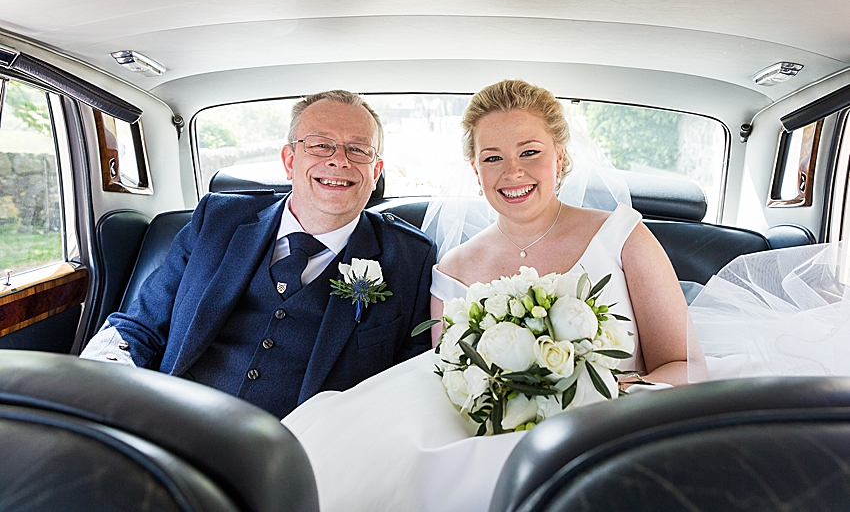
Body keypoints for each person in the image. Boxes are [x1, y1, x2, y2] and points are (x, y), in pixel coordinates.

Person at [283, 80, 704, 512]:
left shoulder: (622, 235)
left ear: (559, 157)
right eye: (492, 158)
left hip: (621, 431)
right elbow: (453, 388)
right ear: (475, 170)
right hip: (496, 447)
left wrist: (597, 396)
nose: (512, 172)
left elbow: (684, 366)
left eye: (529, 152)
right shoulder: (451, 271)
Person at [81, 90, 437, 419]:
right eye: (320, 145)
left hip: (305, 456)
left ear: (375, 172)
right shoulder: (216, 221)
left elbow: (409, 382)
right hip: (172, 428)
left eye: (358, 150)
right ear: (289, 160)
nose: (339, 161)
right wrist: (96, 382)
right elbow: (140, 325)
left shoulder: (411, 259)